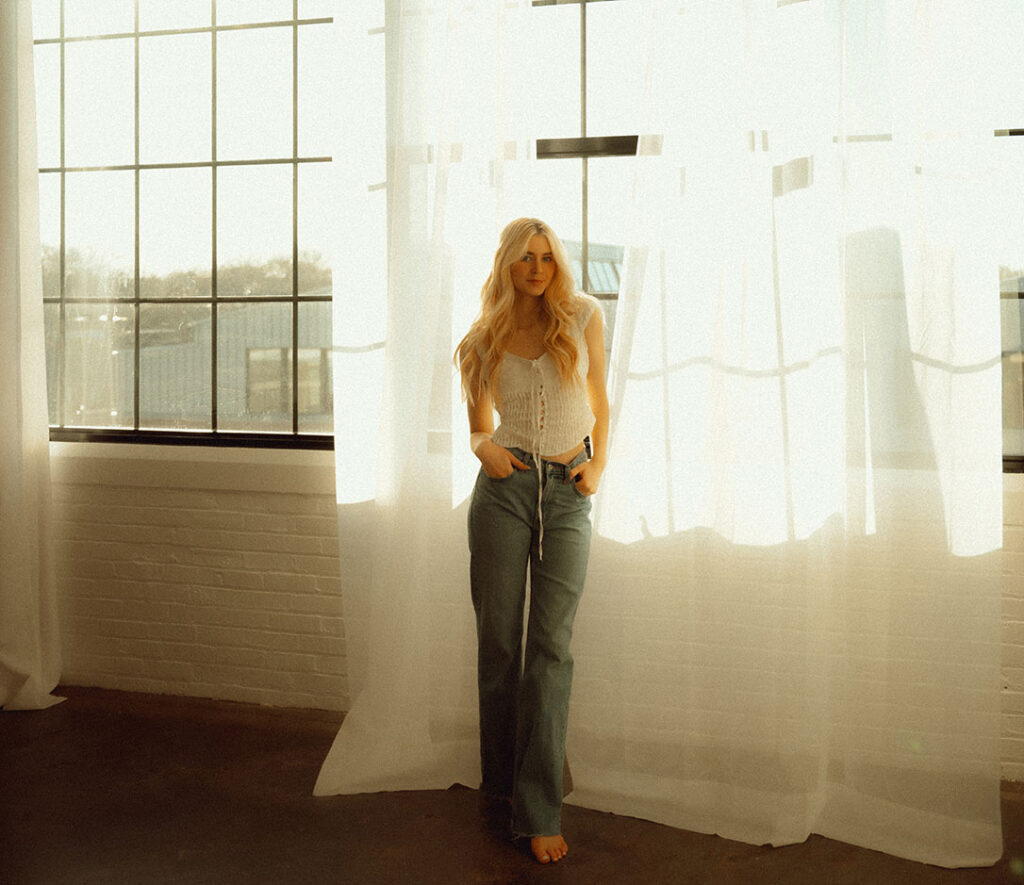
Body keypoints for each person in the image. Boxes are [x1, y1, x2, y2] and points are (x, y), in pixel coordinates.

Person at [454, 217, 609, 864]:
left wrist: (596, 466)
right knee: (498, 645)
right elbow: (478, 422)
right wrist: (484, 448)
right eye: (526, 258)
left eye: (547, 257)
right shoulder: (483, 336)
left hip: (568, 494)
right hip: (506, 492)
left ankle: (540, 805)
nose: (538, 267)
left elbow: (599, 398)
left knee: (551, 648)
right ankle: (503, 787)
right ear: (507, 265)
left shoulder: (583, 316)